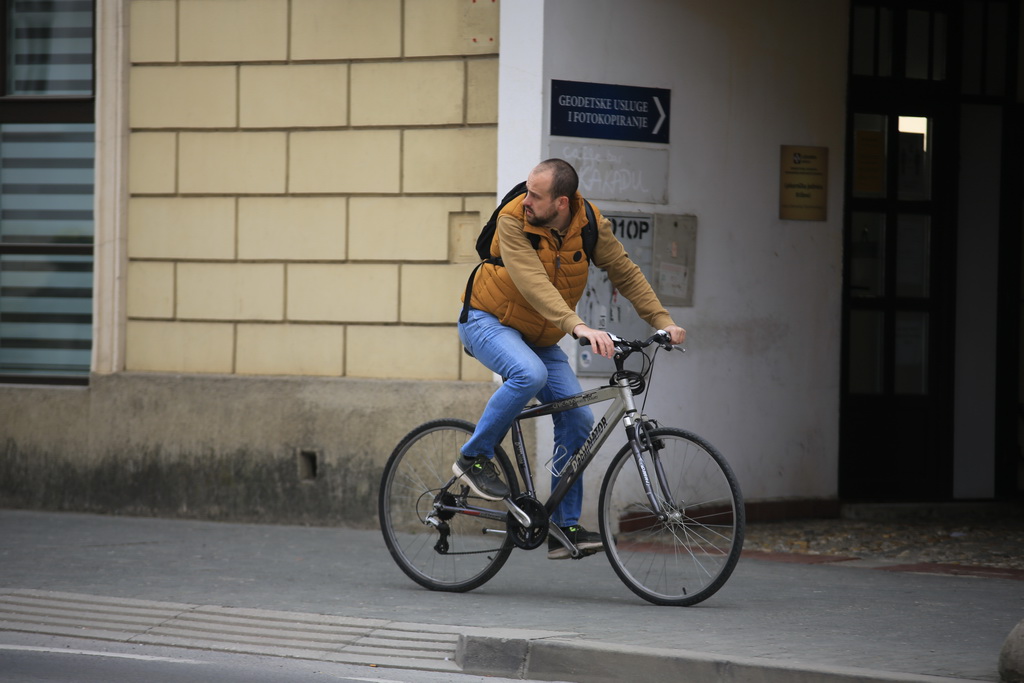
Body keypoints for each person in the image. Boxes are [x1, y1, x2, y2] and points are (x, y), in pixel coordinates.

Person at [454, 158, 686, 560]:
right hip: (487, 319)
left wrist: (662, 321)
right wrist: (578, 327)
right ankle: (474, 457)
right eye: (526, 191)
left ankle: (564, 526)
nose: (525, 200)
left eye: (535, 195)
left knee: (578, 416)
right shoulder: (513, 220)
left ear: (562, 203)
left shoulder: (589, 223)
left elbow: (624, 272)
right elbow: (532, 282)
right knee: (528, 373)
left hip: (540, 333)